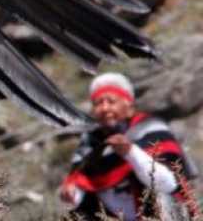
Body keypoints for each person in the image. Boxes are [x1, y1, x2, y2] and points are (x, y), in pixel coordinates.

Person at [60, 72, 198, 220]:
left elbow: (168, 183)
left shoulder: (150, 128)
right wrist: (71, 194)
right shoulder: (89, 144)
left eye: (111, 102)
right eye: (98, 103)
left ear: (129, 106)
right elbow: (80, 187)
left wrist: (130, 152)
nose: (105, 108)